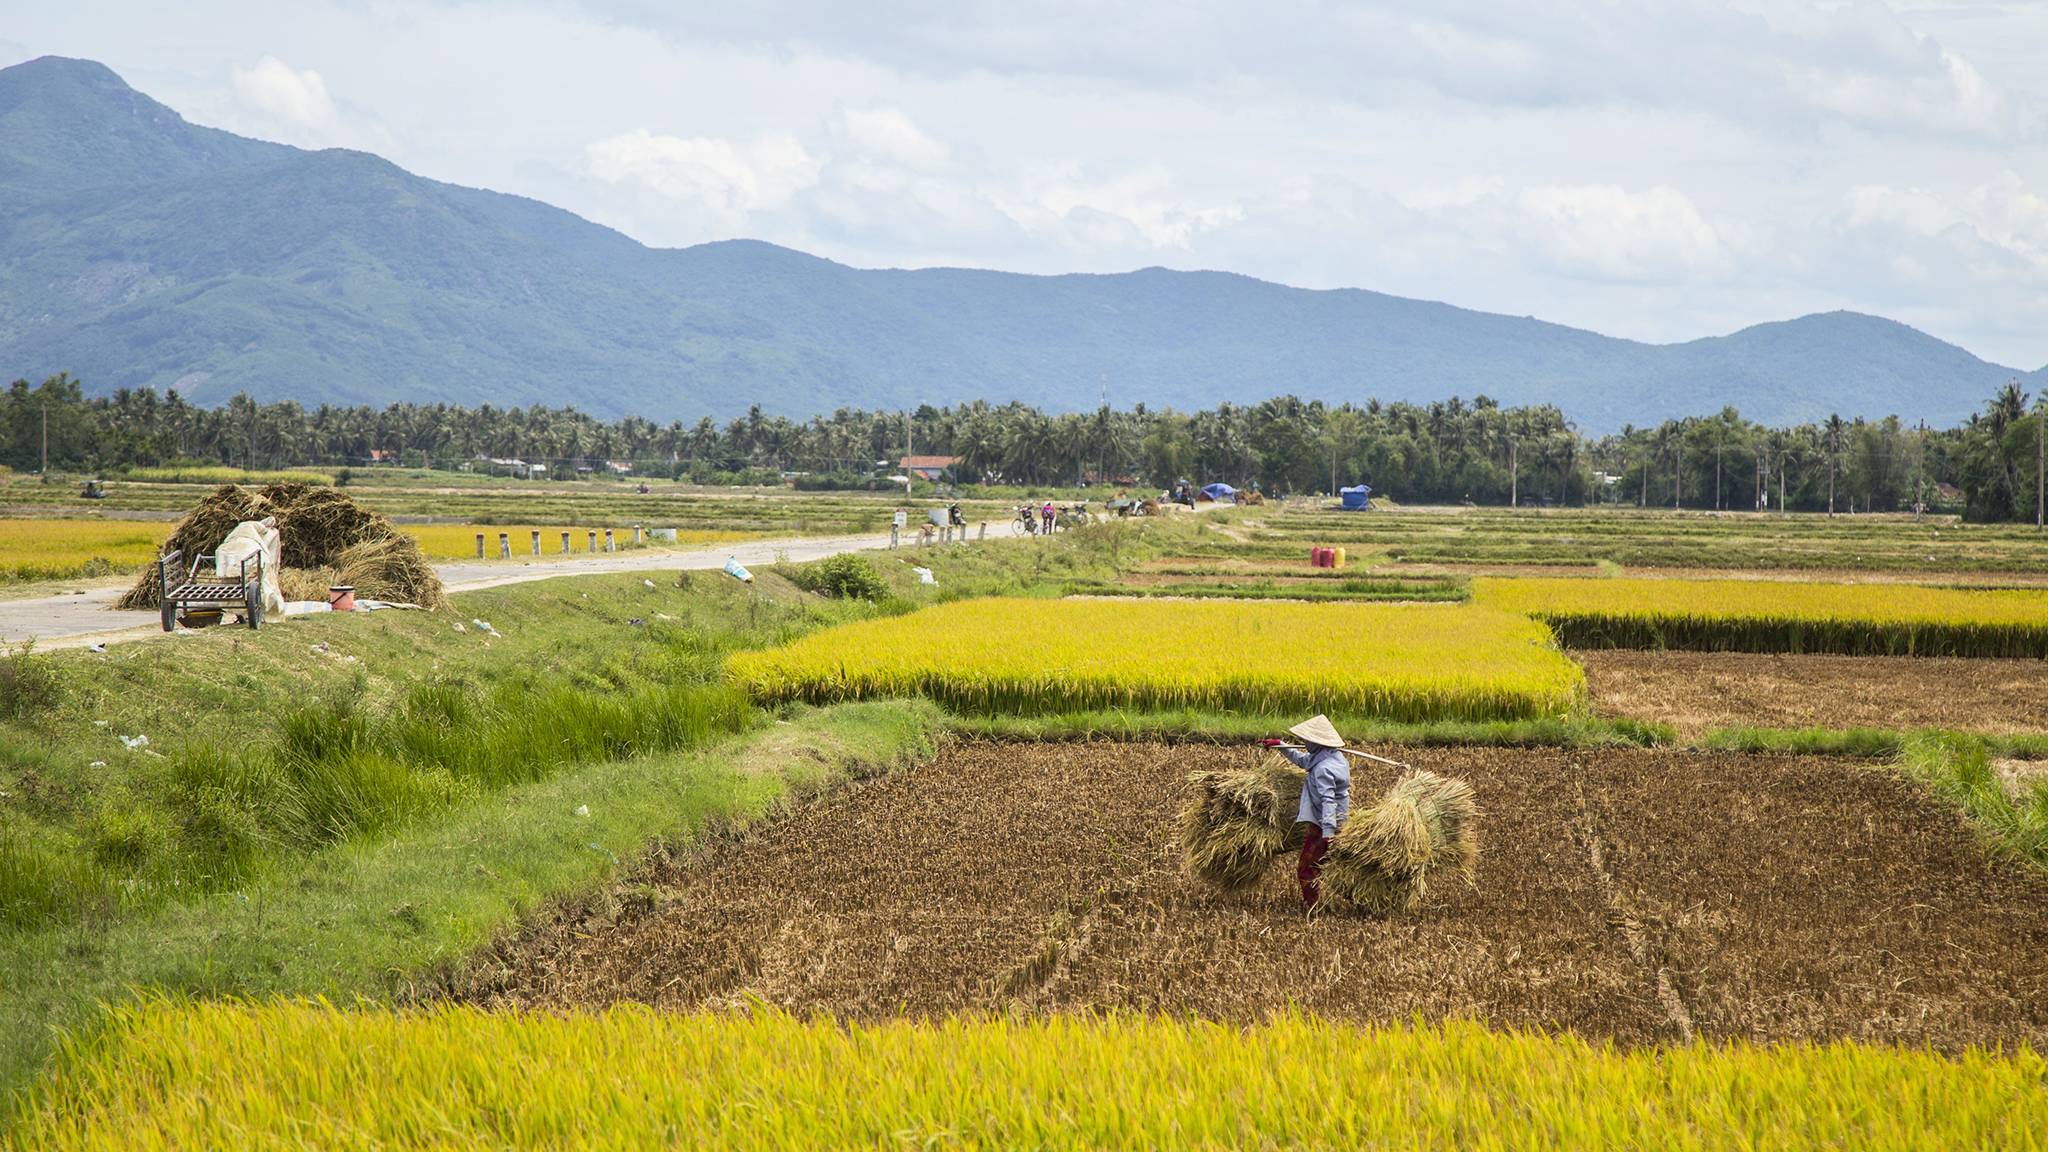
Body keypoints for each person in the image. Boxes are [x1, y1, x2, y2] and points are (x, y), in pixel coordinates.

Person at [1259, 714, 1351, 911]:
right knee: (1329, 864)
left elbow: (1328, 801)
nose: (1304, 743)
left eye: (1307, 741)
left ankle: (1313, 906)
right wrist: (1280, 745)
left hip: (1324, 825)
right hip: (1335, 820)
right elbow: (1303, 760)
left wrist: (1328, 833)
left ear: (1316, 742)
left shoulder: (1323, 769)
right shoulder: (1334, 758)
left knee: (1307, 868)